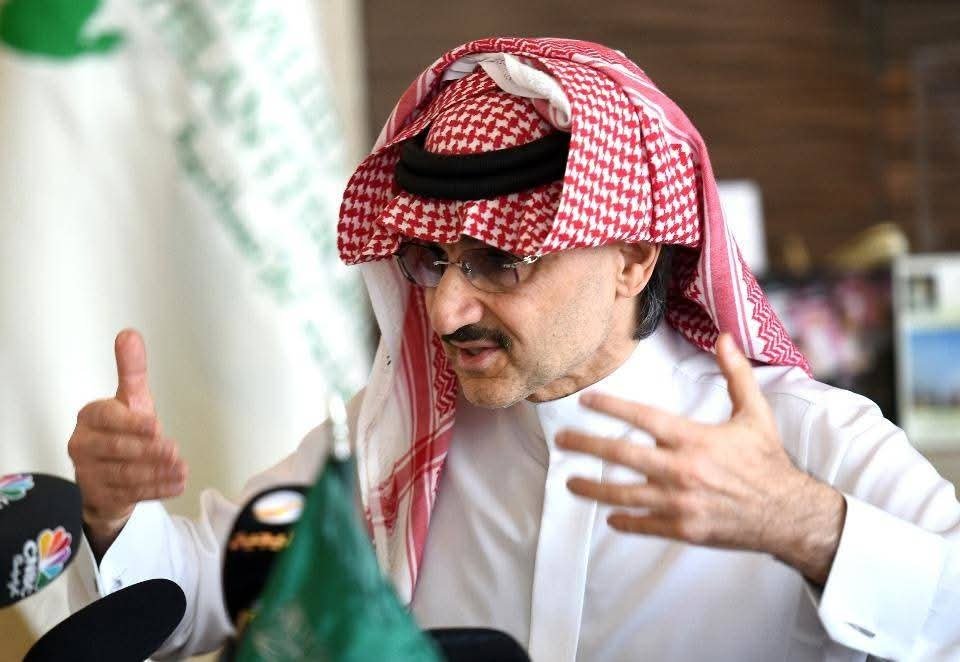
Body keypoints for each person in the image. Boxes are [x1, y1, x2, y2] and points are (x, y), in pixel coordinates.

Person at [65, 38, 959, 661]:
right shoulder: (397, 437)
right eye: (430, 258)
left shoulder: (807, 441)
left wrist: (803, 525)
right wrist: (115, 517)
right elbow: (209, 588)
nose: (447, 309)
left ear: (634, 254)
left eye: (500, 260)